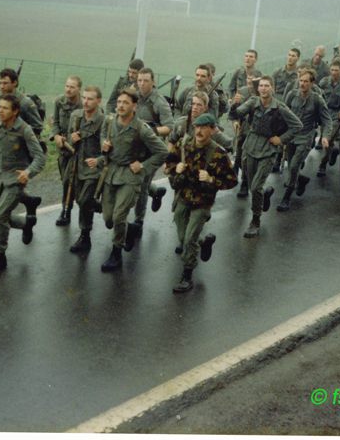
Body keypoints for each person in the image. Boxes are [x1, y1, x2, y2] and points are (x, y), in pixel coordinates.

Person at [90, 88, 168, 272]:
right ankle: (130, 230)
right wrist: (104, 145)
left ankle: (116, 254)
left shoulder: (141, 128)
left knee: (118, 216)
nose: (121, 106)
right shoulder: (109, 121)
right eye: (119, 102)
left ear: (134, 106)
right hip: (111, 173)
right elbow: (103, 136)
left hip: (130, 177)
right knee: (108, 218)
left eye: (125, 103)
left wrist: (143, 166)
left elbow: (162, 151)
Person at [165, 113, 237, 293]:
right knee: (183, 239)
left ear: (212, 130)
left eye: (204, 127)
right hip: (183, 197)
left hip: (202, 202)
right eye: (197, 127)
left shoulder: (218, 153)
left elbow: (232, 181)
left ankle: (187, 276)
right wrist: (176, 168)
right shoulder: (184, 145)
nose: (199, 130)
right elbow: (168, 165)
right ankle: (203, 242)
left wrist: (212, 179)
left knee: (189, 240)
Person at [231, 76, 303, 238]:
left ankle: (255, 221)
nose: (263, 88)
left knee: (256, 187)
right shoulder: (253, 102)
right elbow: (237, 114)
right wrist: (235, 103)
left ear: (272, 88)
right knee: (252, 186)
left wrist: (281, 139)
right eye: (261, 86)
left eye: (267, 86)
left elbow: (297, 125)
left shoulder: (280, 108)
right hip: (250, 146)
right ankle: (264, 195)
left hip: (268, 150)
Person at [0, 94, 46, 273]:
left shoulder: (24, 130)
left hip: (15, 181)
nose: (0, 110)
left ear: (15, 111)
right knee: (1, 217)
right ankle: (26, 224)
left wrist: (28, 172)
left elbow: (40, 157)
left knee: (0, 217)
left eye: (5, 108)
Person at [279, 69, 331, 211]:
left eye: (306, 81)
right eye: (300, 81)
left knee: (295, 165)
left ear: (312, 83)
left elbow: (327, 120)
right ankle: (301, 180)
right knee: (291, 167)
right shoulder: (291, 95)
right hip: (291, 136)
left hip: (306, 136)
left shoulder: (317, 99)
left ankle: (286, 197)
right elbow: (283, 113)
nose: (302, 84)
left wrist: (325, 136)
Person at [133, 67, 174, 231]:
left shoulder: (159, 102)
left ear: (153, 82)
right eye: (139, 81)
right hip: (134, 147)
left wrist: (150, 131)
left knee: (142, 184)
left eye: (145, 81)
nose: (142, 84)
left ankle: (138, 221)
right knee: (132, 178)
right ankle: (156, 192)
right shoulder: (134, 97)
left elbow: (170, 127)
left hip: (152, 150)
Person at [66, 86, 106, 254]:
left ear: (98, 101)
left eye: (90, 99)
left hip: (94, 170)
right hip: (77, 167)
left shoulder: (104, 121)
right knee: (81, 201)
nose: (86, 101)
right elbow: (69, 140)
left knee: (83, 201)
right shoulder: (76, 117)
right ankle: (105, 209)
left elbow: (109, 149)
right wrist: (71, 139)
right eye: (84, 98)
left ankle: (85, 236)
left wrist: (98, 160)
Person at [52, 76, 83, 226]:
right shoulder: (59, 102)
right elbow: (55, 122)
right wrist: (56, 135)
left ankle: (66, 211)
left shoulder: (84, 105)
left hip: (77, 150)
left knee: (68, 182)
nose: (68, 89)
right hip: (63, 149)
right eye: (66, 86)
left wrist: (74, 139)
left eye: (72, 87)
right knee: (66, 179)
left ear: (79, 89)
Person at [316, 60, 340, 177]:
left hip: (336, 114)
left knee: (328, 137)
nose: (334, 72)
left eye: (336, 70)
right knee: (327, 140)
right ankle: (332, 152)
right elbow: (317, 95)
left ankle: (322, 164)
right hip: (324, 112)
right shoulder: (324, 82)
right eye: (332, 70)